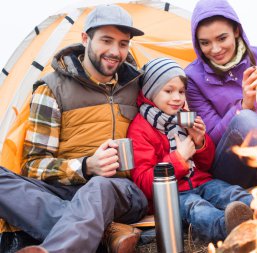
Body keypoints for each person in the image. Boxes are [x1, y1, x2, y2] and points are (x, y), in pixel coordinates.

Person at [0, 4, 148, 253]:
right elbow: (34, 165)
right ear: (85, 38)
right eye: (106, 40)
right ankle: (107, 233)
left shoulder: (138, 84)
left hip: (122, 192)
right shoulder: (52, 88)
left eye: (123, 44)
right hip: (64, 191)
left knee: (99, 185)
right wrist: (87, 166)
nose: (115, 51)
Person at [127, 57, 254, 243]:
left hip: (201, 182)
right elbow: (144, 182)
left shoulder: (185, 118)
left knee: (228, 191)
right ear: (150, 92)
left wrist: (200, 141)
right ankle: (230, 232)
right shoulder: (140, 129)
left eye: (181, 91)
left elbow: (206, 165)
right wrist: (178, 158)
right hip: (173, 194)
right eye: (168, 91)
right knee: (198, 208)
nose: (177, 98)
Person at [185, 0, 257, 189]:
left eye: (222, 38)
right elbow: (210, 140)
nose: (215, 49)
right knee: (246, 119)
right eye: (205, 43)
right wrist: (244, 105)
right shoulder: (193, 78)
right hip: (231, 166)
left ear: (236, 31)